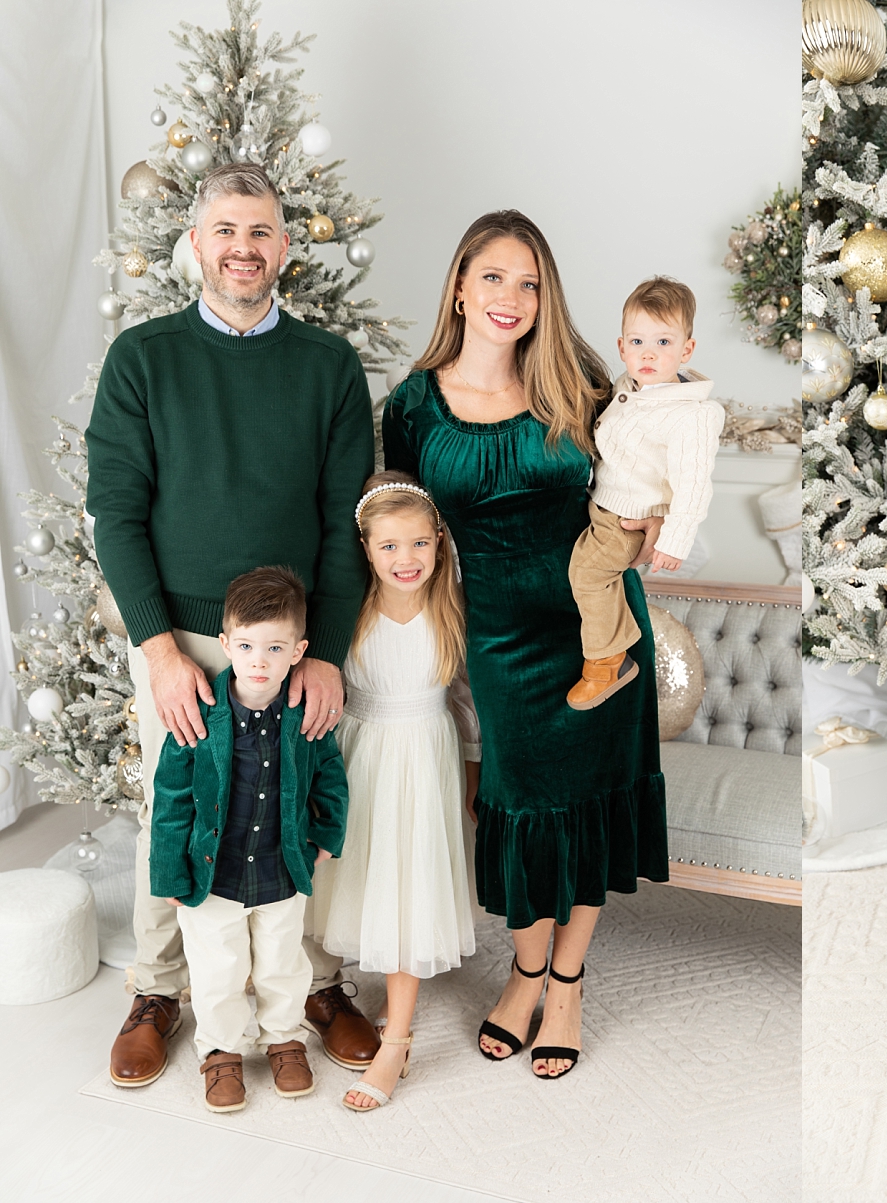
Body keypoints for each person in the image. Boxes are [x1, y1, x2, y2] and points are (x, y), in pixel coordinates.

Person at [85, 161, 380, 1088]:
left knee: (303, 798)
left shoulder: (328, 365)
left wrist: (323, 651)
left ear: (284, 248)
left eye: (260, 232)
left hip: (293, 642)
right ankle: (159, 988)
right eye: (225, 231)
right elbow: (116, 514)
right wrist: (160, 651)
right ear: (196, 243)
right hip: (182, 641)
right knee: (172, 813)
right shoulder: (143, 357)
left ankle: (317, 985)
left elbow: (345, 519)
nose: (243, 249)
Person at [383, 210, 669, 1080]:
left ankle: (566, 983)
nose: (511, 297)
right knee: (526, 803)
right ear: (461, 285)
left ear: (545, 299)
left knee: (589, 799)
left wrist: (650, 516)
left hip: (603, 629)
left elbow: (644, 474)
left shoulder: (579, 384)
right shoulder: (412, 405)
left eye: (530, 282)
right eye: (495, 277)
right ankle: (524, 969)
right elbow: (397, 530)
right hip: (503, 637)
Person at [306, 471, 481, 1112]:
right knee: (361, 882)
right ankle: (329, 1001)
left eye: (418, 545)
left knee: (408, 893)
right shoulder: (347, 610)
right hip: (359, 755)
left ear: (439, 543)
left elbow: (464, 701)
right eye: (388, 547)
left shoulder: (452, 605)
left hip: (424, 758)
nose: (405, 560)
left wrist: (472, 771)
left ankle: (397, 1040)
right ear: (366, 549)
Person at [148, 568, 349, 1112]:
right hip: (212, 874)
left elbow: (329, 774)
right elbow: (169, 798)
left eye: (275, 647)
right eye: (246, 646)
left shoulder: (306, 715)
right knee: (218, 969)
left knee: (284, 962)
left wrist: (327, 834)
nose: (259, 660)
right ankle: (222, 1052)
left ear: (299, 650)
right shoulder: (200, 714)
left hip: (283, 869)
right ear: (225, 644)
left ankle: (284, 1039)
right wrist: (168, 873)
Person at [565, 276, 724, 709]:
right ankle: (607, 645)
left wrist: (674, 540)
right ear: (621, 348)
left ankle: (607, 660)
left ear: (686, 350)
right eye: (637, 341)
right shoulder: (628, 387)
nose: (648, 353)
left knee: (589, 574)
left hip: (630, 519)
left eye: (663, 342)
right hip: (603, 505)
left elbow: (693, 483)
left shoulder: (692, 415)